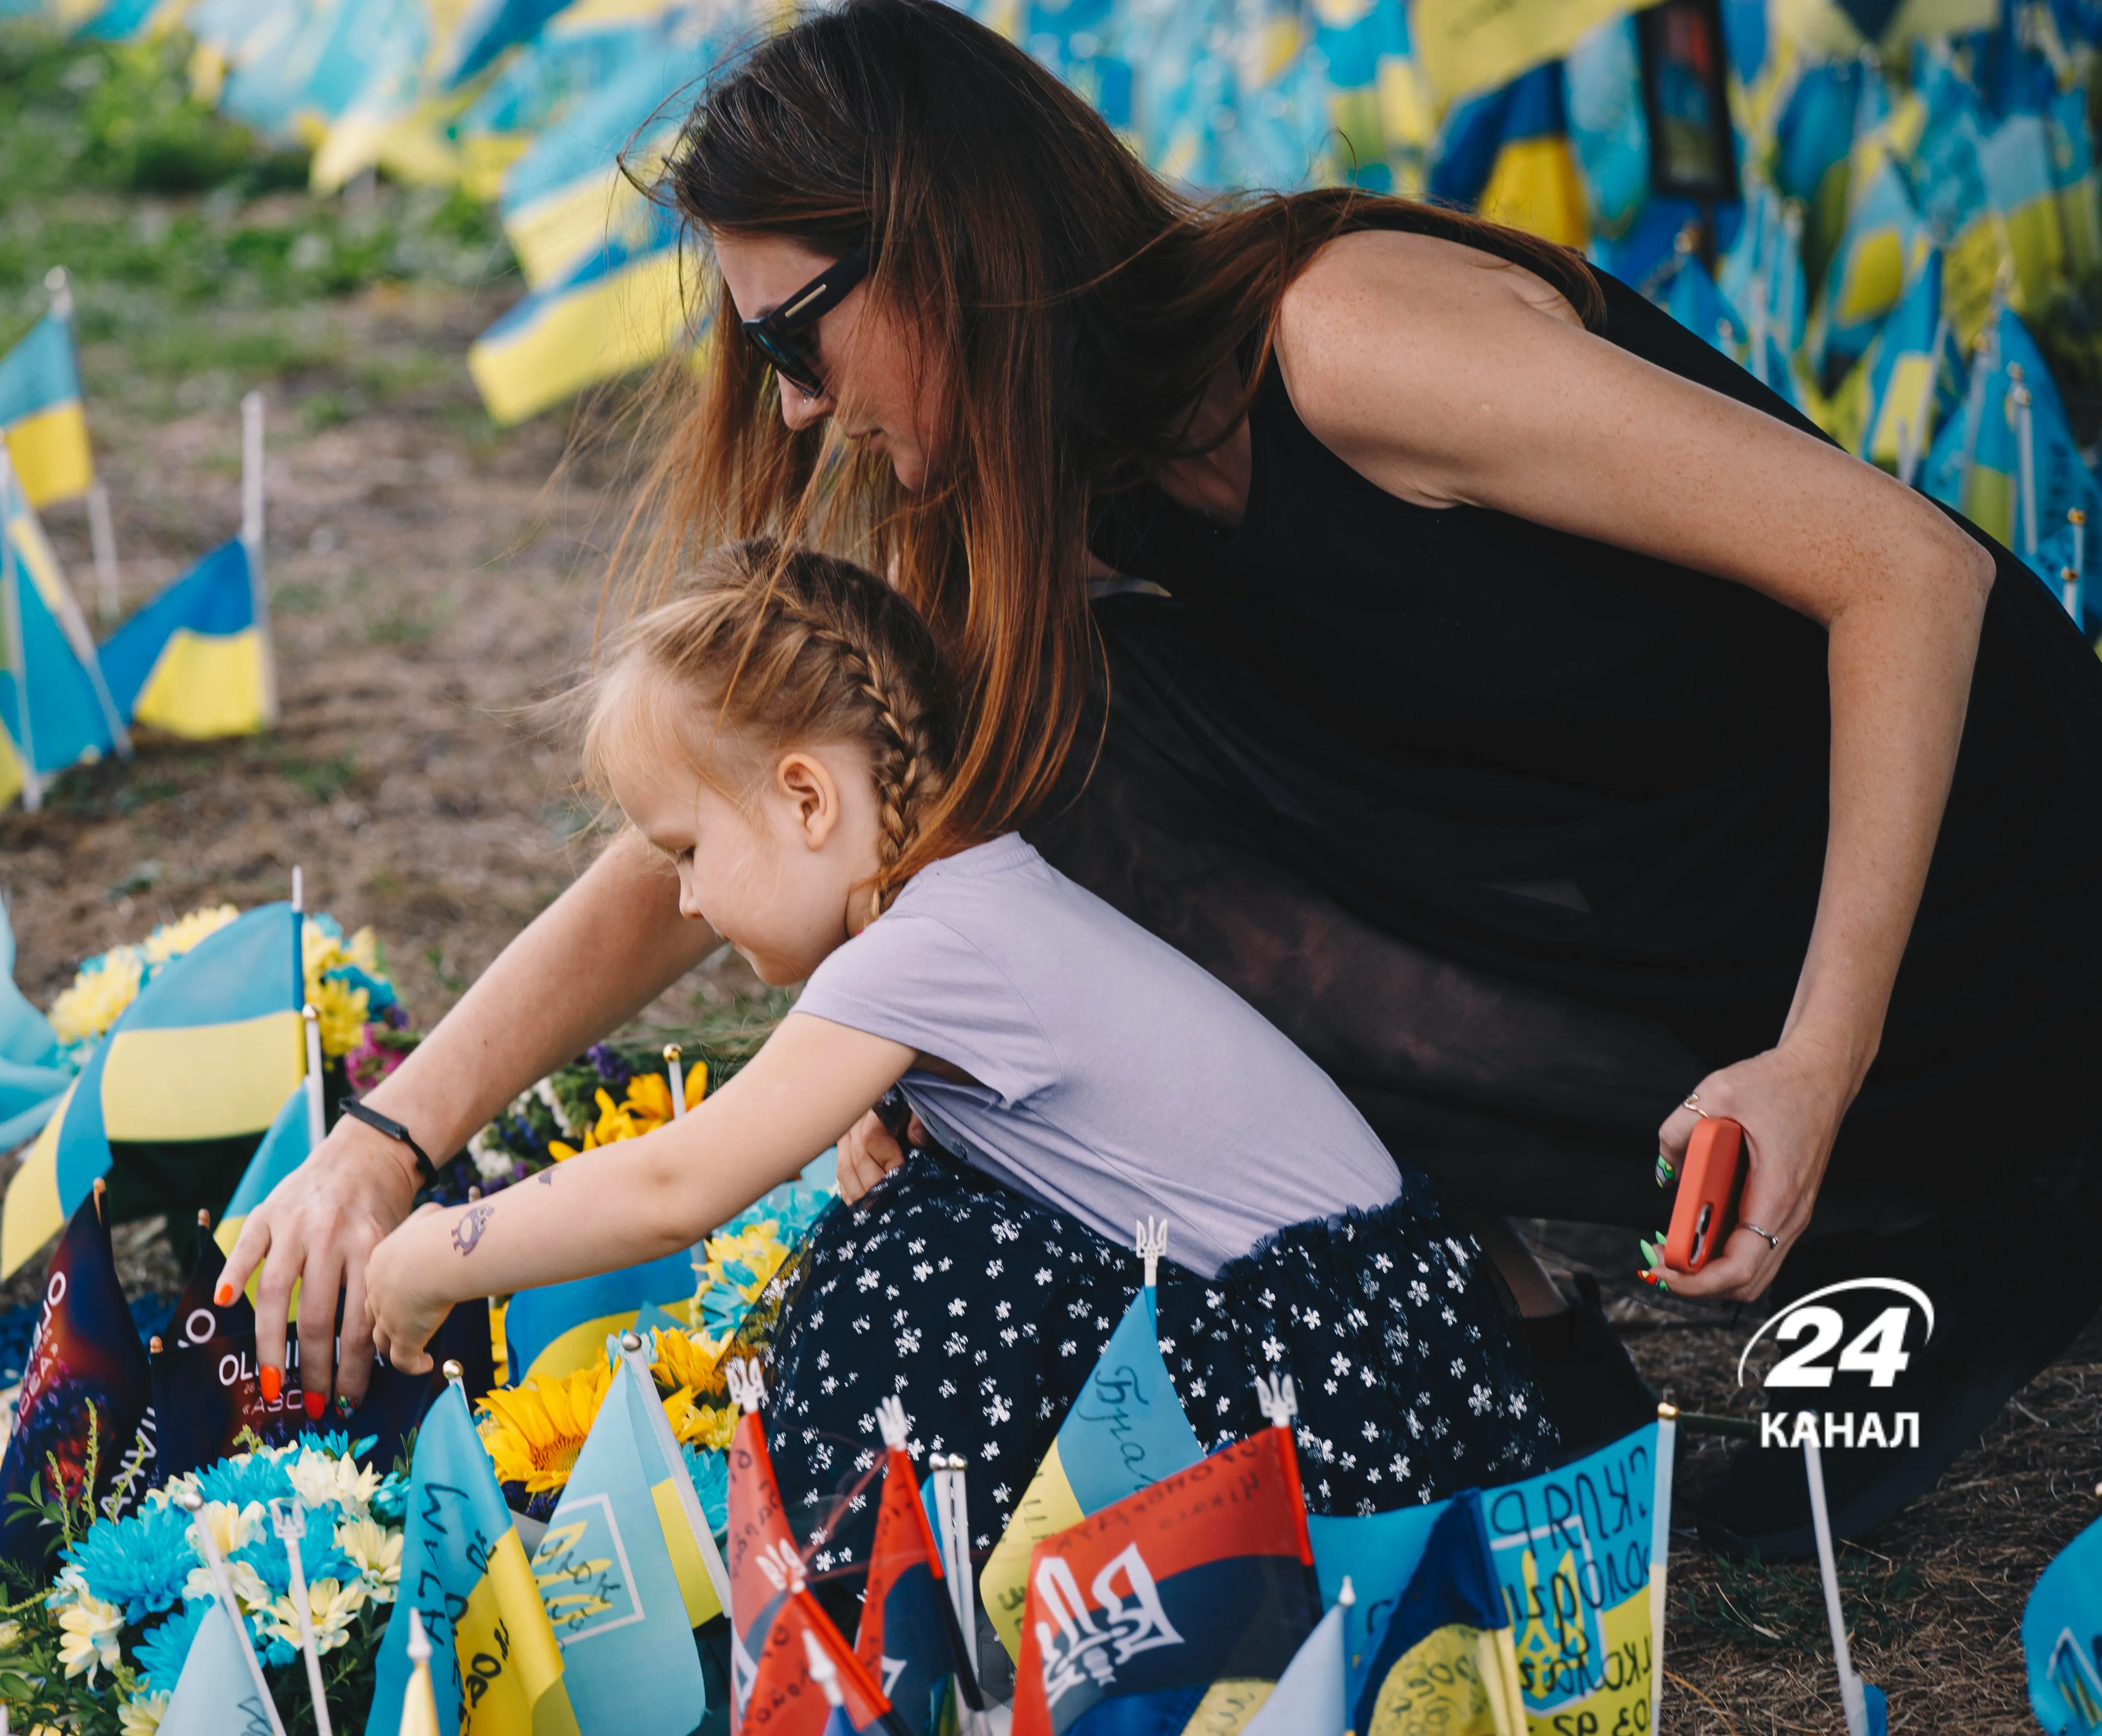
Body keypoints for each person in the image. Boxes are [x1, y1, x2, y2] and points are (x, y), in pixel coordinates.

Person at [220, 0, 2102, 1557]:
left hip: (1971, 897)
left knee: (1067, 771)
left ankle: (1962, 1198)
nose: (791, 405)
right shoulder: (1056, 499)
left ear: (942, 239)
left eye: (797, 337)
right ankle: (1499, 1316)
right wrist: (398, 1129)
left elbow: (1913, 572)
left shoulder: (1336, 334)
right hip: (1654, 912)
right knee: (1012, 770)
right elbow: (727, 802)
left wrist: (1818, 1053)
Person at [352, 542, 1559, 1563]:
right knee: (926, 1230)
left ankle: (853, 1592)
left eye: (684, 850)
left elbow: (679, 1186)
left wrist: (433, 1257)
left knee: (910, 1282)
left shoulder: (928, 951)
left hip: (1345, 1392)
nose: (681, 905)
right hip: (1394, 1351)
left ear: (807, 800)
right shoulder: (970, 899)